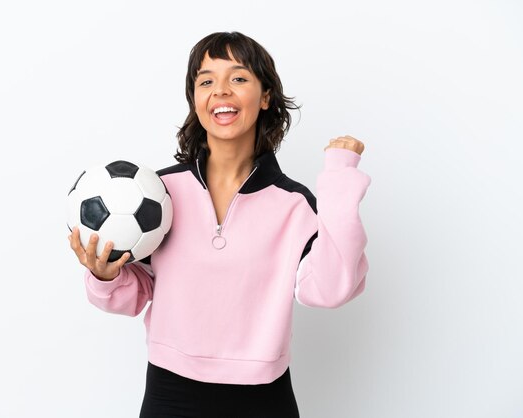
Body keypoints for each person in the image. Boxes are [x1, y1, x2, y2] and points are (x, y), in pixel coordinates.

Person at [68, 31, 371, 418]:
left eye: (239, 78)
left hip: (263, 400)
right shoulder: (156, 195)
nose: (221, 91)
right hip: (169, 394)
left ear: (265, 97)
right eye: (207, 80)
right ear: (195, 100)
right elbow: (137, 294)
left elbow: (330, 290)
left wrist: (340, 181)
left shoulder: (294, 205)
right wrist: (106, 276)